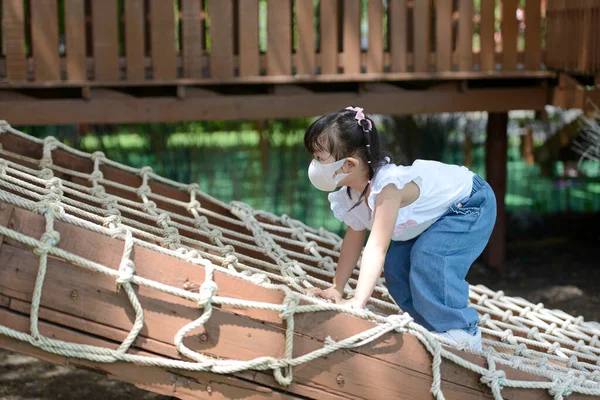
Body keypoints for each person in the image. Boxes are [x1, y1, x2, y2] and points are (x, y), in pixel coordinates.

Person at [304, 106, 497, 350]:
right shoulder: (352, 193)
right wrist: (337, 288)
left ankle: (462, 331)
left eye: (320, 159)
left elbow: (376, 247)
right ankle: (430, 326)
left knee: (430, 256)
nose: (314, 164)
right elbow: (353, 241)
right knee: (396, 265)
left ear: (349, 165)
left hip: (469, 204)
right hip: (431, 219)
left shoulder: (387, 188)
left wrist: (358, 302)